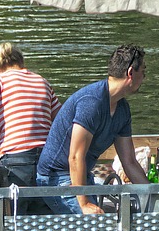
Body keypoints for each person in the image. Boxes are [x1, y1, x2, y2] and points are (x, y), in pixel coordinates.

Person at [35, 44, 150, 214]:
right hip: (56, 177)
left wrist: (153, 195)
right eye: (143, 71)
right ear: (131, 73)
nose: (145, 76)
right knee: (94, 230)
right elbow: (75, 157)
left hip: (83, 176)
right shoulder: (92, 102)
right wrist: (84, 204)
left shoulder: (123, 110)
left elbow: (130, 162)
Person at [0, 42, 61, 214]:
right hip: (46, 159)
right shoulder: (42, 81)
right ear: (22, 62)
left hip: (16, 161)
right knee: (42, 224)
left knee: (14, 222)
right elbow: (61, 119)